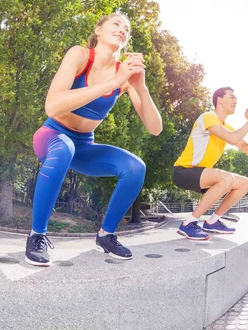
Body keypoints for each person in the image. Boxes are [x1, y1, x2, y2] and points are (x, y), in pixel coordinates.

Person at [25, 13, 162, 266]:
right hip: (52, 136)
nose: (123, 30)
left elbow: (155, 128)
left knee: (135, 168)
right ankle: (37, 235)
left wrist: (140, 87)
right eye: (117, 24)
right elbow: (52, 106)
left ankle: (106, 235)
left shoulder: (124, 74)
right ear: (98, 30)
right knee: (64, 147)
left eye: (127, 29)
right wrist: (112, 82)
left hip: (84, 146)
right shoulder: (80, 55)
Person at [172, 87, 248, 240]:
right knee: (226, 178)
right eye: (232, 97)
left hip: (202, 175)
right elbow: (232, 138)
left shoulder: (227, 127)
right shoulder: (208, 117)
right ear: (219, 99)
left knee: (244, 183)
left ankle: (212, 221)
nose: (235, 101)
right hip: (183, 172)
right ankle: (189, 224)